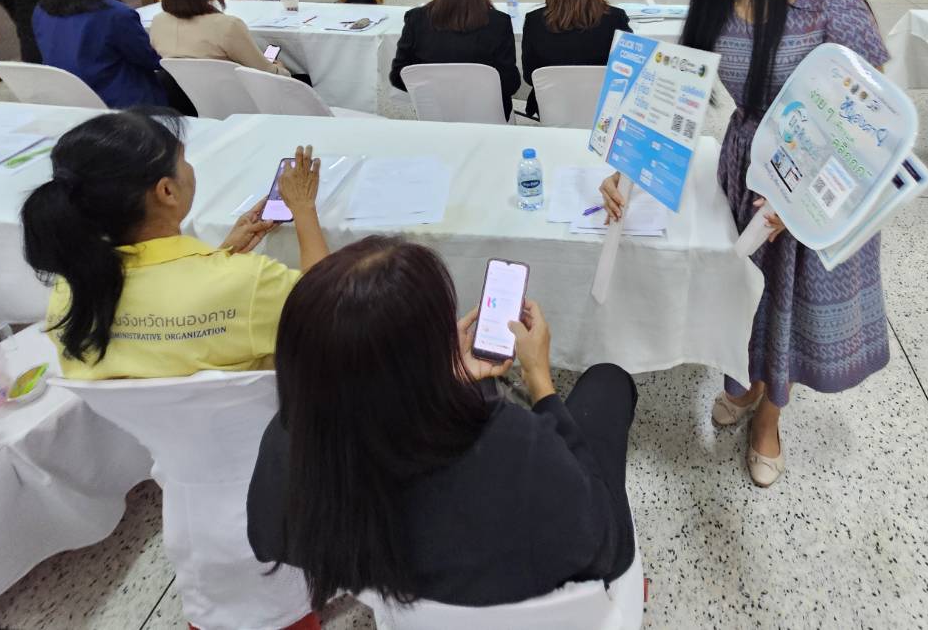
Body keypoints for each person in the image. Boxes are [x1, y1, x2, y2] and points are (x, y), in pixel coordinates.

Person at [599, 0, 889, 488]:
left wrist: (807, 199)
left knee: (790, 302)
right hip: (745, 175)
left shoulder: (830, 1)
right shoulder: (717, 0)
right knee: (744, 296)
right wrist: (628, 168)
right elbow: (678, 97)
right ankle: (744, 379)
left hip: (816, 182)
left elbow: (875, 120)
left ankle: (770, 418)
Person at [246, 236, 637, 608]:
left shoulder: (288, 451)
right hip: (544, 595)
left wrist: (447, 383)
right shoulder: (516, 446)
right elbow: (610, 548)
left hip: (406, 597)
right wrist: (540, 382)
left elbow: (265, 537)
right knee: (608, 381)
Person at [22, 108, 329, 379]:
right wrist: (303, 209)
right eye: (183, 161)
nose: (191, 169)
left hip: (156, 434)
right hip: (263, 428)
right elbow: (327, 310)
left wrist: (217, 257)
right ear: (166, 191)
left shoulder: (70, 293)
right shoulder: (247, 283)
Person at [33, 0, 168, 109]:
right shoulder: (114, 14)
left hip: (72, 103)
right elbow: (150, 60)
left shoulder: (42, 10)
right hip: (125, 104)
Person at [390, 0, 520, 118]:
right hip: (488, 117)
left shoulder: (416, 19)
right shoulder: (498, 23)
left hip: (435, 115)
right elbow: (510, 83)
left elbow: (399, 75)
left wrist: (434, 92)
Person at [521, 0, 631, 118]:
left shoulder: (534, 21)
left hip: (553, 111)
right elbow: (628, 71)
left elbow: (530, 76)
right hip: (603, 111)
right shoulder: (616, 19)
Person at [149, 0, 295, 78]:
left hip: (187, 101)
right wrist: (281, 70)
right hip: (242, 96)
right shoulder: (227, 26)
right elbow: (266, 73)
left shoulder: (158, 23)